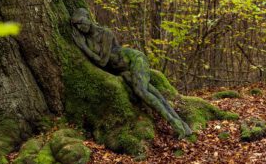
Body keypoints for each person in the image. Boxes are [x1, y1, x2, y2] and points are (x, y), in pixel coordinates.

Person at [71, 9, 192, 138]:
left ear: (88, 18)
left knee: (141, 91)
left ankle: (175, 124)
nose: (80, 27)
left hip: (135, 59)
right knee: (151, 91)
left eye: (81, 22)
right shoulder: (88, 41)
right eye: (77, 25)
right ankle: (182, 125)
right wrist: (84, 45)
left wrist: (82, 47)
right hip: (124, 70)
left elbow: (102, 61)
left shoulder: (105, 33)